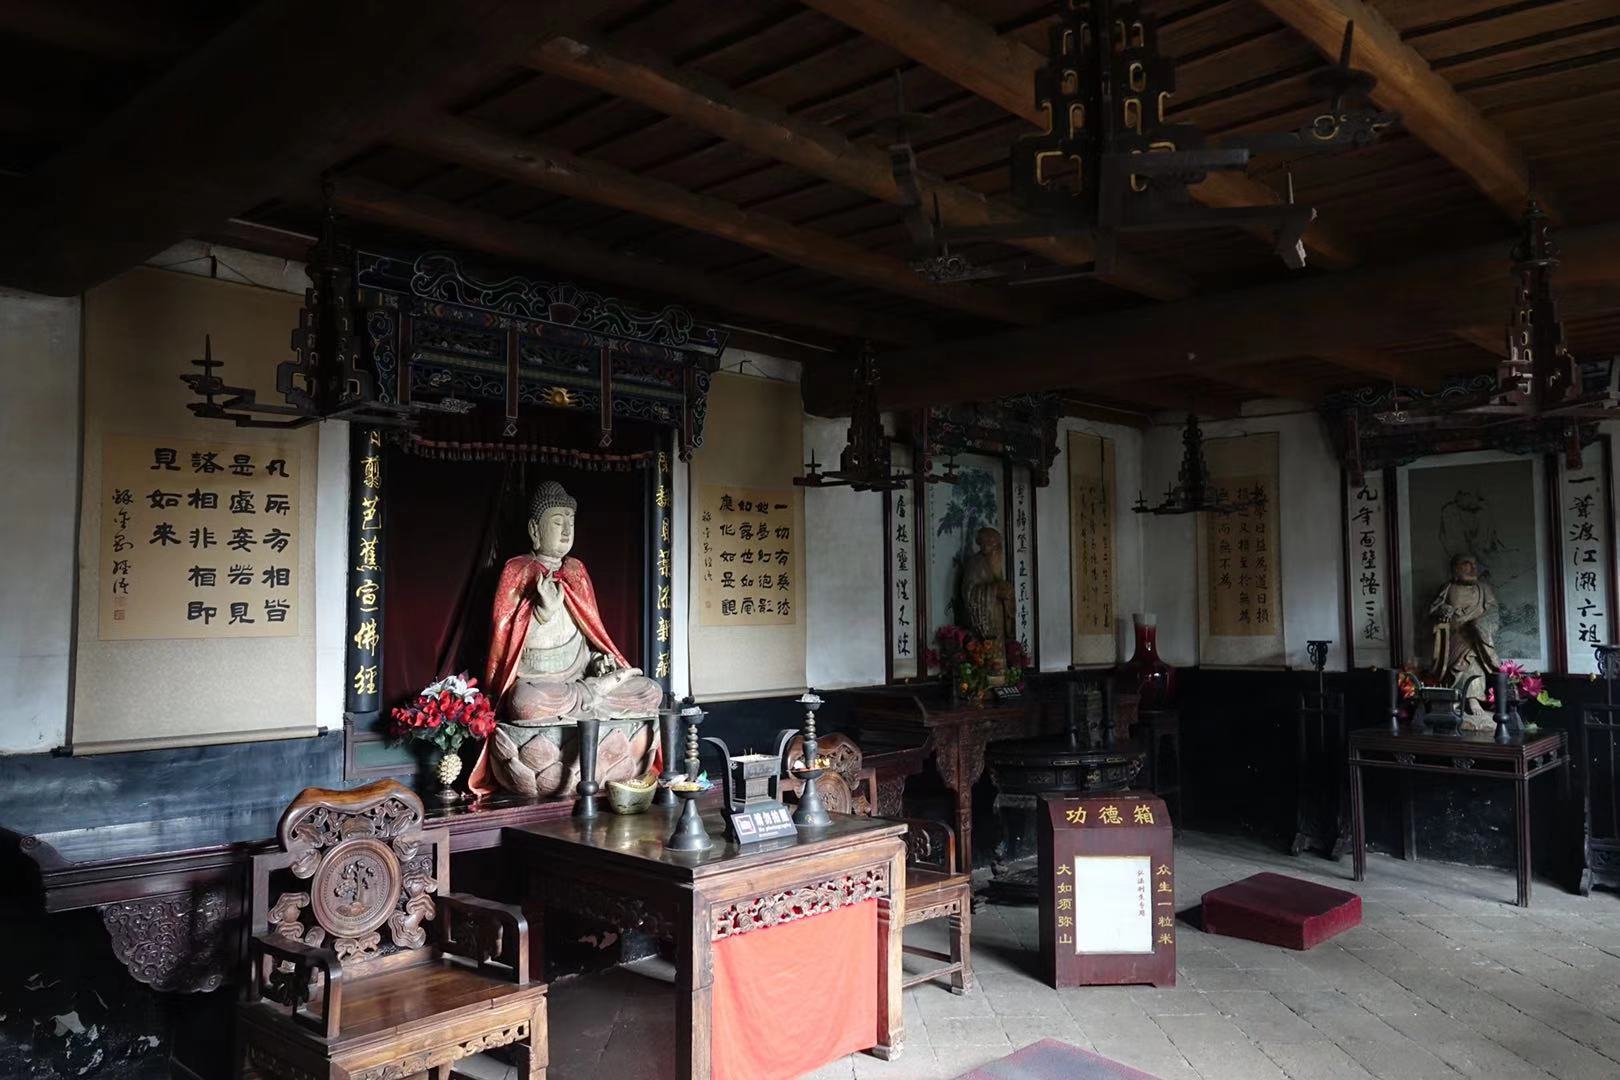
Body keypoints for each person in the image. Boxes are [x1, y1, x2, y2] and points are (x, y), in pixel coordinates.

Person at [469, 481, 662, 796]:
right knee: (523, 703)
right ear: (535, 530)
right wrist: (542, 612)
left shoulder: (576, 572)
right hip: (540, 684)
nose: (566, 531)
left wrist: (599, 661)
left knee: (650, 691)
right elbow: (508, 641)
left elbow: (590, 633)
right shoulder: (517, 570)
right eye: (557, 522)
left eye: (570, 522)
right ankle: (593, 697)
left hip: (577, 678)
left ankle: (594, 696)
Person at [1428, 552, 1500, 731]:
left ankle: (1473, 699)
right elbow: (1433, 609)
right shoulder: (1448, 587)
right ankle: (1453, 699)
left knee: (1473, 664)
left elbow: (1493, 611)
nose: (1472, 568)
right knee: (1452, 669)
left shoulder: (1483, 589)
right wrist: (1443, 610)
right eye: (1467, 564)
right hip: (1453, 637)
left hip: (1475, 638)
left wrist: (1481, 625)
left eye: (1474, 564)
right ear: (1455, 568)